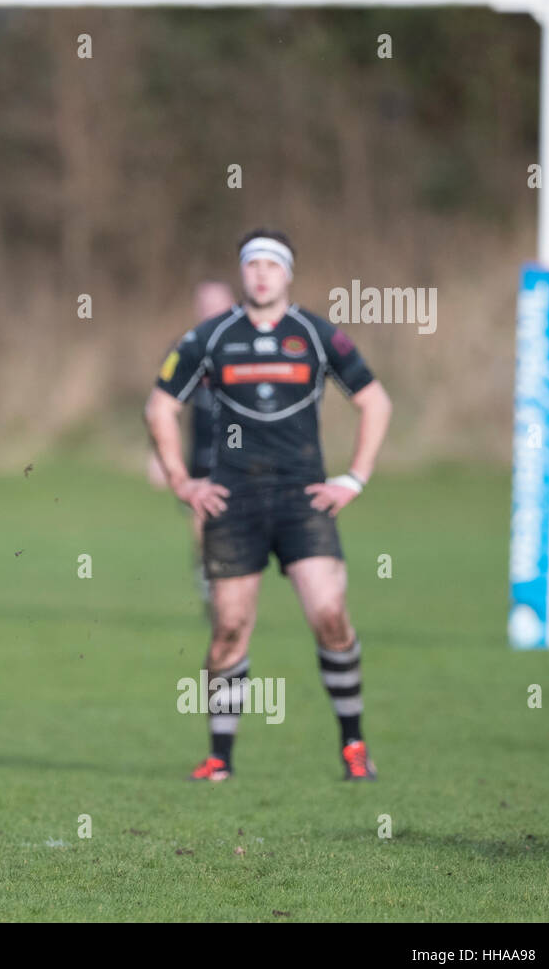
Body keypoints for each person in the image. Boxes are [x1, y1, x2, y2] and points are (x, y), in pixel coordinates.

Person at [146, 229, 392, 781]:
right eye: (252, 264)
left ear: (289, 274)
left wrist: (353, 478)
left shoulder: (316, 334)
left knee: (330, 616)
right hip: (232, 503)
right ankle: (220, 758)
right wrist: (184, 482)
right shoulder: (211, 336)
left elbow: (375, 402)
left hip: (303, 499)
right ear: (242, 273)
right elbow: (160, 406)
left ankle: (354, 747)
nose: (261, 274)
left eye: (271, 265)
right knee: (229, 628)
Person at [146, 281, 234, 611]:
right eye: (204, 304)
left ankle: (231, 588)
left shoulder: (249, 344)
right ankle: (212, 587)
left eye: (217, 303)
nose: (209, 310)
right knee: (204, 532)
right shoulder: (185, 347)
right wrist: (157, 454)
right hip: (202, 453)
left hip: (246, 456)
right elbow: (162, 406)